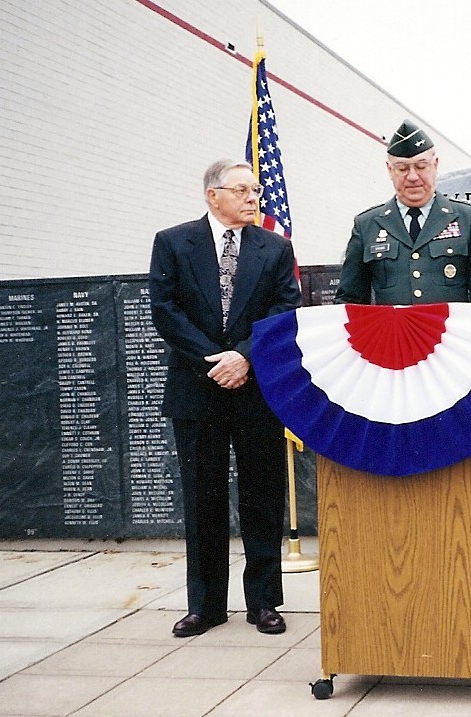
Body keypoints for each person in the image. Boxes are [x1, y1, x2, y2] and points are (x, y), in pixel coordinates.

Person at [149, 159, 302, 637]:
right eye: (241, 190)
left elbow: (284, 309)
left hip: (255, 390)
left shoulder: (275, 248)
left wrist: (244, 358)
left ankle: (262, 602)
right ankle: (206, 605)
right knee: (203, 498)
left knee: (261, 495)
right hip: (197, 388)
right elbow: (165, 310)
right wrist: (215, 360)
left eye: (255, 189)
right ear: (213, 195)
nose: (253, 197)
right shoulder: (173, 243)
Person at [334, 119, 471, 305]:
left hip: (448, 334)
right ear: (390, 170)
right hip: (391, 334)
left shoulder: (467, 220)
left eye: (421, 167)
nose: (413, 177)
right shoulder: (367, 225)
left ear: (435, 165)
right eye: (402, 168)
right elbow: (349, 302)